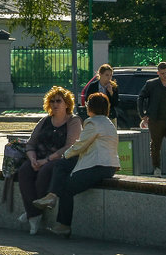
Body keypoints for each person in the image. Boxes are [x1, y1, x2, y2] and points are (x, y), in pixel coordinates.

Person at [31, 92, 121, 237]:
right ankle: (52, 196)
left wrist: (65, 155)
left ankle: (64, 224)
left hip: (97, 166)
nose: (85, 107)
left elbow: (79, 146)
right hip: (107, 166)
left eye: (87, 105)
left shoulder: (93, 123)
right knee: (62, 166)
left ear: (91, 107)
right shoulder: (107, 122)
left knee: (66, 187)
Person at [18, 86, 82, 235]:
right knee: (24, 171)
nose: (55, 104)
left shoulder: (74, 121)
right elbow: (31, 143)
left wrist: (46, 160)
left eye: (59, 101)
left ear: (67, 103)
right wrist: (33, 159)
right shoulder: (45, 120)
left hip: (59, 160)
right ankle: (34, 214)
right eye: (52, 101)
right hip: (39, 158)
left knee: (45, 172)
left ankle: (31, 214)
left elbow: (70, 146)